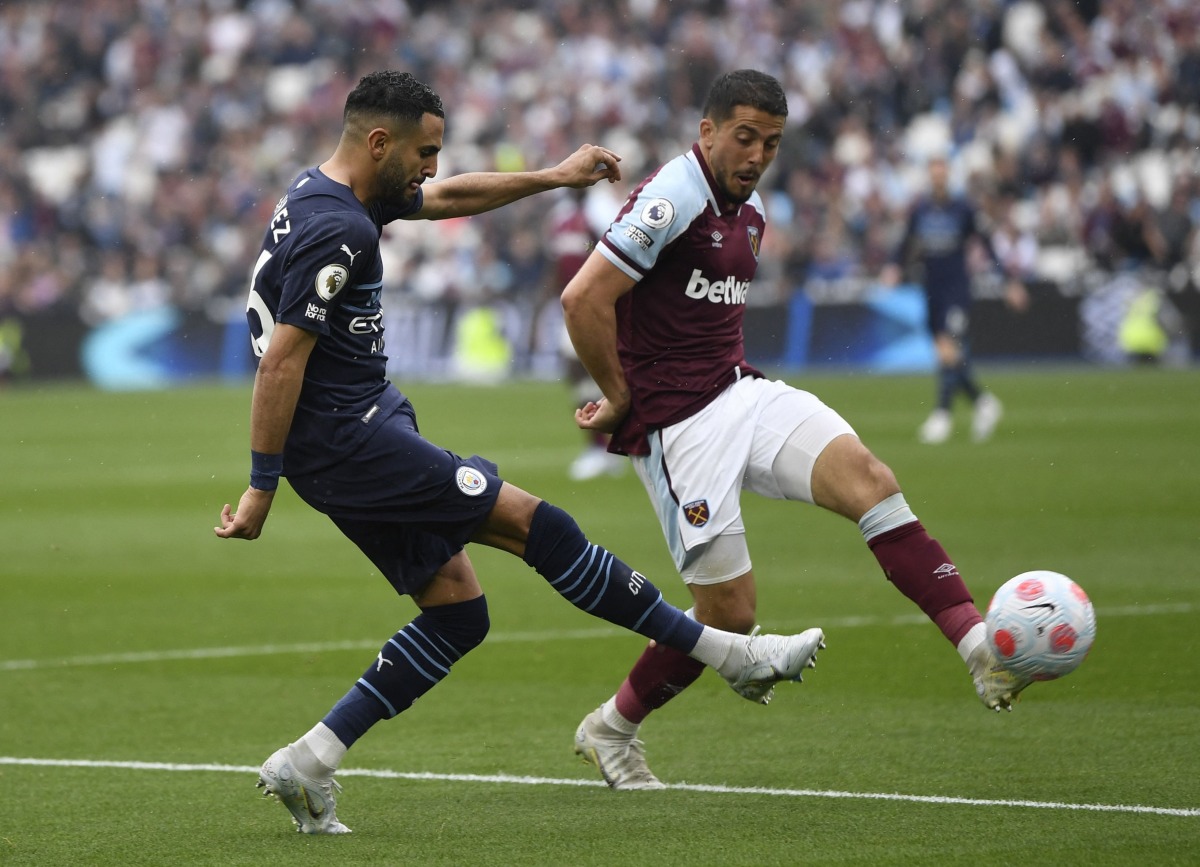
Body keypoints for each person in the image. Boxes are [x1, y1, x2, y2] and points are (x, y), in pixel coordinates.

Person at [213, 70, 826, 834]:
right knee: (542, 526)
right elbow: (281, 361)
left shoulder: (326, 193)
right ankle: (732, 654)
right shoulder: (338, 227)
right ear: (380, 141)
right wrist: (261, 487)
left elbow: (446, 200)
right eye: (425, 151)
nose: (432, 167)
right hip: (348, 440)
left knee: (458, 611)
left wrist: (554, 177)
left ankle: (308, 759)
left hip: (359, 430)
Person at [560, 69, 1027, 792]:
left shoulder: (750, 213)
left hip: (741, 390)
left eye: (771, 143)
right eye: (744, 138)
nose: (756, 156)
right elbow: (583, 296)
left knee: (870, 480)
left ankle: (977, 644)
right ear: (708, 131)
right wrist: (620, 397)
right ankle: (612, 728)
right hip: (679, 427)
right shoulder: (675, 194)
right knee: (731, 615)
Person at [880, 155, 1028, 444]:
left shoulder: (963, 210)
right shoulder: (920, 210)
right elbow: (906, 242)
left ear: (948, 177)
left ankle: (942, 415)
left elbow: (986, 245)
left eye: (942, 174)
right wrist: (894, 267)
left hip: (956, 290)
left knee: (949, 347)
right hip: (931, 288)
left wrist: (1008, 282)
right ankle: (983, 402)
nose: (938, 179)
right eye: (934, 174)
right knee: (945, 352)